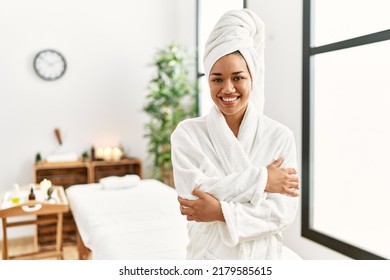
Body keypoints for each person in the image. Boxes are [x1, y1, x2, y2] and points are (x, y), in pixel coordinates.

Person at [170, 9, 300, 260]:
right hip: (207, 258)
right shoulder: (188, 134)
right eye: (217, 79)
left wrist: (219, 212)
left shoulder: (279, 136)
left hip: (263, 260)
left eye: (238, 77)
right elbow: (192, 195)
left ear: (252, 78)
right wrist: (264, 180)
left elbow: (282, 212)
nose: (227, 89)